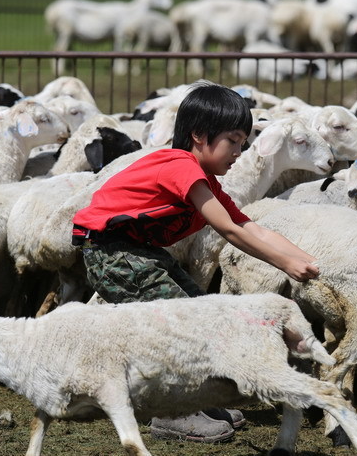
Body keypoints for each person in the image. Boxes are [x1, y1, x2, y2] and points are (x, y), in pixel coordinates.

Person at [71, 81, 319, 442]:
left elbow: (250, 227)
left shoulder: (207, 182)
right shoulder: (180, 165)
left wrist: (308, 259)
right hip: (111, 253)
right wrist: (285, 264)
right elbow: (230, 232)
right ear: (199, 135)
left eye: (243, 142)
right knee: (177, 326)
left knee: (202, 314)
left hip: (138, 253)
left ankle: (195, 400)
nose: (240, 150)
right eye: (233, 140)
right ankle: (171, 413)